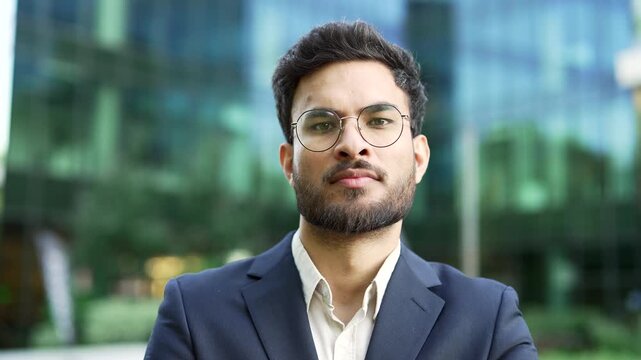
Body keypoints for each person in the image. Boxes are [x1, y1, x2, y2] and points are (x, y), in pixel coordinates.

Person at [144, 21, 537, 360]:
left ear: (419, 159)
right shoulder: (196, 312)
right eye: (321, 124)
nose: (352, 143)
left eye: (379, 120)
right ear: (288, 164)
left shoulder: (487, 320)